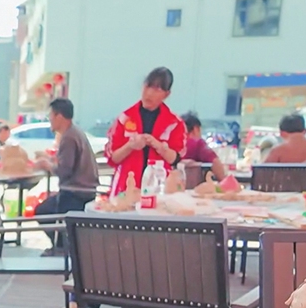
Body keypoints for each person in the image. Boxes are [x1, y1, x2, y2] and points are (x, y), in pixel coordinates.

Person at [105, 67, 186, 196]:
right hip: (126, 189)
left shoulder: (175, 123)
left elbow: (176, 159)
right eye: (148, 86)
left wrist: (160, 147)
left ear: (166, 94)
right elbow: (112, 158)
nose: (149, 93)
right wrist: (130, 146)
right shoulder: (125, 118)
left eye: (157, 89)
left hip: (160, 190)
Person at [34, 97, 99, 254]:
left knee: (42, 211)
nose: (49, 119)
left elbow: (64, 171)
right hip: (84, 189)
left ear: (59, 116)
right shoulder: (75, 132)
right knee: (48, 208)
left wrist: (48, 165)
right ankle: (63, 247)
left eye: (51, 115)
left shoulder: (69, 137)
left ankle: (63, 249)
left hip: (76, 192)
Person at [180, 112, 226, 181]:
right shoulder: (197, 143)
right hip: (194, 189)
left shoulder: (170, 146)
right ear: (196, 129)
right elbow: (215, 163)